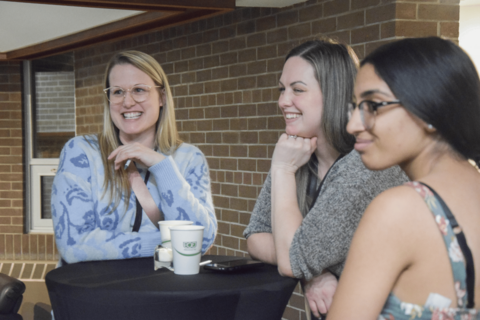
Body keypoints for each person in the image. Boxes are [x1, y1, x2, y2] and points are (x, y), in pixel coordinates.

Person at [243, 39, 408, 318]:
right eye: (282, 89)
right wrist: (315, 273)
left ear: (334, 93)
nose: (283, 101)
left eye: (297, 90)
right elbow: (256, 236)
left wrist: (304, 263)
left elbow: (293, 261)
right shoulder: (295, 153)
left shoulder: (365, 165)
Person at [327, 37, 480, 319]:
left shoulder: (400, 210)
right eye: (355, 106)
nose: (353, 125)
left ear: (430, 108)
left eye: (373, 105)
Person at [51, 51, 217, 265]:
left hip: (164, 292)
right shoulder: (81, 152)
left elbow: (202, 241)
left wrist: (162, 166)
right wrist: (169, 245)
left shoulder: (189, 158)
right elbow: (74, 245)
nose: (127, 102)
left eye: (139, 90)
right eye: (118, 92)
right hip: (95, 292)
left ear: (162, 97)